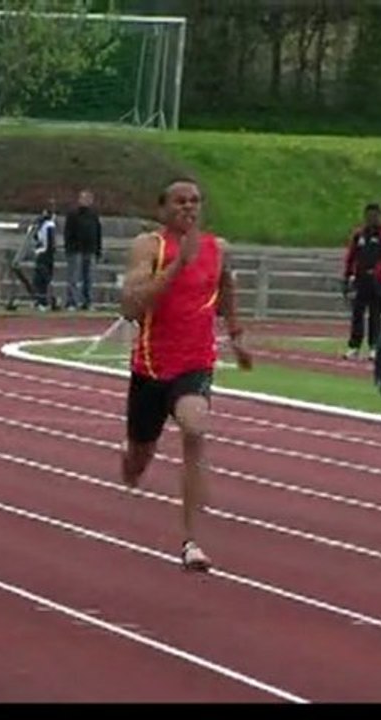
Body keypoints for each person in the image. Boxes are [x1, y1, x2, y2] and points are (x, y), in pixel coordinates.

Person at [119, 178, 253, 572]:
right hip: (150, 367)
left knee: (195, 429)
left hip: (195, 363)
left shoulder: (217, 248)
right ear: (162, 208)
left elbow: (226, 288)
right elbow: (131, 305)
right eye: (179, 202)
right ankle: (129, 458)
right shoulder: (149, 247)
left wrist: (237, 335)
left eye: (195, 201)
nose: (188, 208)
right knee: (137, 464)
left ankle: (191, 540)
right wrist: (179, 265)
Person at [342, 202, 381, 361]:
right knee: (357, 314)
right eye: (369, 216)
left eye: (375, 215)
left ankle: (374, 347)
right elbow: (351, 256)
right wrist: (347, 276)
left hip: (376, 280)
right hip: (360, 279)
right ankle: (354, 346)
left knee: (375, 315)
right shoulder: (359, 235)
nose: (372, 219)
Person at [63, 189, 103, 311]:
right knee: (73, 277)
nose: (86, 201)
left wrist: (98, 250)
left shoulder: (93, 215)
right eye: (83, 198)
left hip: (89, 250)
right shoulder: (73, 214)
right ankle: (72, 302)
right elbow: (68, 232)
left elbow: (97, 233)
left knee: (89, 278)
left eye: (88, 199)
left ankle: (88, 302)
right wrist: (69, 247)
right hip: (75, 250)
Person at [31, 209, 57, 311]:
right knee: (43, 279)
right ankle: (42, 301)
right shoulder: (49, 225)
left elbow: (36, 237)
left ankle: (41, 300)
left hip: (41, 253)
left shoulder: (41, 225)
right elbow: (51, 242)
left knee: (41, 279)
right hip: (46, 254)